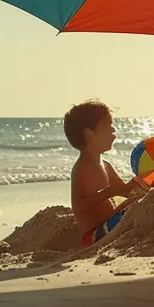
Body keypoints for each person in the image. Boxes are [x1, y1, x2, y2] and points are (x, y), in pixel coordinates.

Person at [63, 100, 145, 246]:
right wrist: (108, 192)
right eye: (107, 125)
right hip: (95, 235)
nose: (113, 130)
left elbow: (125, 192)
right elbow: (79, 207)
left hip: (111, 224)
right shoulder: (83, 167)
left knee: (141, 202)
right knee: (135, 212)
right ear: (89, 134)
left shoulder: (106, 166)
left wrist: (139, 184)